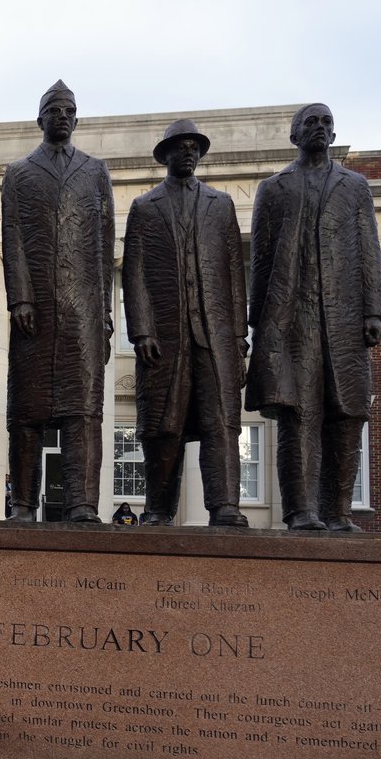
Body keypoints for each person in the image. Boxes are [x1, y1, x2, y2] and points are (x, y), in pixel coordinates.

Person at [246, 103, 381, 531]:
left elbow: (369, 248)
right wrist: (258, 320)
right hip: (293, 320)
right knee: (299, 414)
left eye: (327, 122)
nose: (320, 128)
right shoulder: (274, 188)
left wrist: (373, 309)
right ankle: (301, 511)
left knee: (347, 414)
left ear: (334, 134)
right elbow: (261, 258)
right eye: (311, 122)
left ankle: (338, 511)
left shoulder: (355, 186)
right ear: (294, 136)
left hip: (345, 319)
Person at [124, 118, 250, 528]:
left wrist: (239, 337)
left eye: (195, 146)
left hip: (216, 337)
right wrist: (142, 329)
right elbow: (134, 272)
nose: (189, 152)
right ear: (165, 154)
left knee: (221, 422)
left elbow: (234, 274)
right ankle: (158, 509)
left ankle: (224, 505)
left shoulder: (221, 204)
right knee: (163, 425)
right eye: (181, 146)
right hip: (164, 337)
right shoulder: (145, 207)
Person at [3, 80, 115, 523]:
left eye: (70, 110)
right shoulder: (19, 172)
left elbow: (104, 245)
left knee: (83, 411)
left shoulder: (96, 171)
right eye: (55, 110)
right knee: (25, 412)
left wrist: (105, 313)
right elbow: (12, 237)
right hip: (35, 311)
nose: (63, 116)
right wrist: (19, 299)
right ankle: (22, 503)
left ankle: (82, 503)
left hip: (82, 310)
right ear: (40, 119)